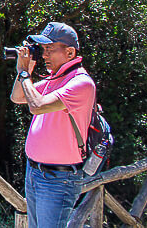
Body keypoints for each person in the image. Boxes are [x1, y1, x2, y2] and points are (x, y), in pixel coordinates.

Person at [10, 21, 96, 228]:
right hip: (35, 171)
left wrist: (23, 74)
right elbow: (17, 96)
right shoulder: (54, 79)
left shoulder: (80, 83)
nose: (45, 55)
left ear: (69, 52)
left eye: (50, 49)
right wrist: (26, 71)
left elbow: (37, 106)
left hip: (59, 178)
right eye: (43, 49)